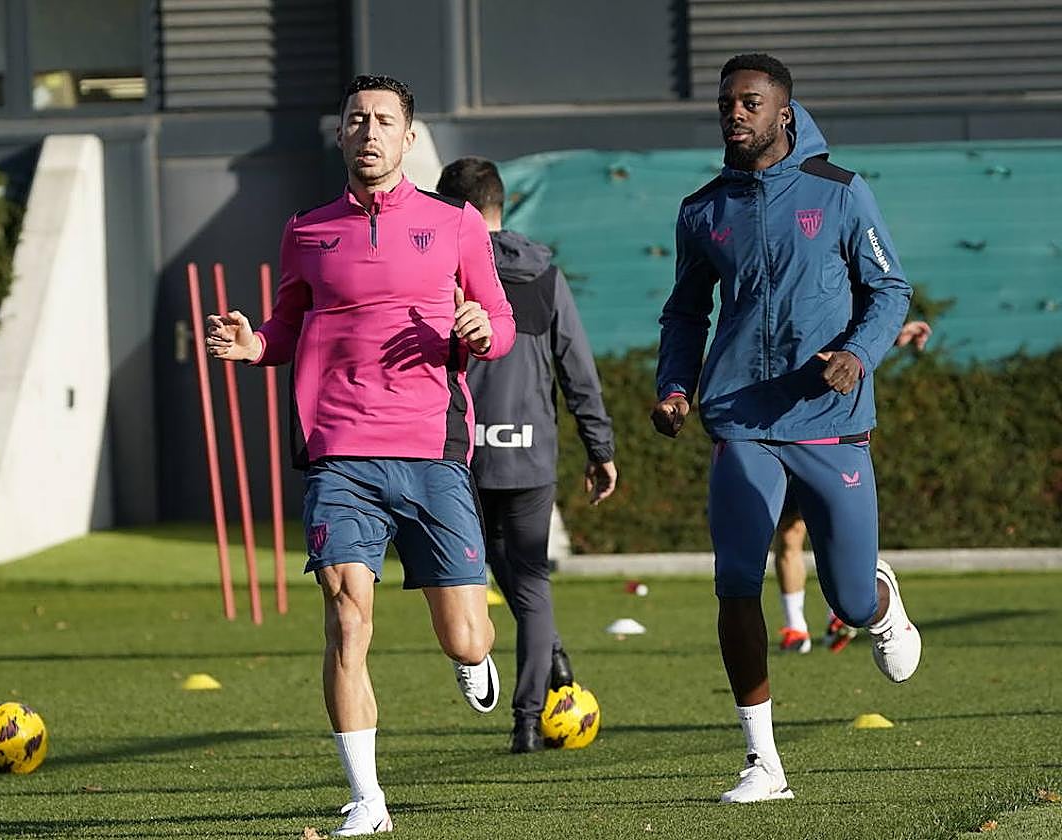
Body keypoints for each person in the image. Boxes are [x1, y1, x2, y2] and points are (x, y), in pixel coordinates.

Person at [205, 74, 515, 836]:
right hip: (340, 453)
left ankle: (472, 658)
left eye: (383, 120)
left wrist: (481, 330)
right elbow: (286, 324)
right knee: (346, 621)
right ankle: (367, 799)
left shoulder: (456, 224)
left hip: (432, 450)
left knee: (466, 633)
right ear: (341, 134)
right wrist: (254, 345)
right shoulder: (306, 231)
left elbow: (501, 321)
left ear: (408, 137)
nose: (368, 131)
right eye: (355, 120)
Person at [651, 54, 923, 804]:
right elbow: (685, 313)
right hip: (740, 418)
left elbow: (890, 288)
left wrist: (859, 355)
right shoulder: (703, 209)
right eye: (726, 104)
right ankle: (762, 762)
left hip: (829, 419)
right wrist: (675, 387)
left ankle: (879, 602)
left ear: (783, 113)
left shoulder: (839, 191)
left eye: (750, 103)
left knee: (847, 602)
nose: (735, 114)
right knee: (737, 582)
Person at [435, 157, 618, 754]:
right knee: (530, 580)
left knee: (485, 569)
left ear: (446, 209)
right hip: (529, 452)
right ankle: (528, 720)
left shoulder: (439, 269)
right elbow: (577, 368)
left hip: (460, 453)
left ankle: (542, 661)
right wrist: (599, 446)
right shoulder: (543, 272)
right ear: (501, 204)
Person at [775, 320, 933, 654]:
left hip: (826, 438)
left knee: (831, 527)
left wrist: (891, 333)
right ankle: (796, 628)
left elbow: (853, 339)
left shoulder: (833, 303)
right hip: (773, 434)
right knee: (789, 532)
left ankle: (840, 613)